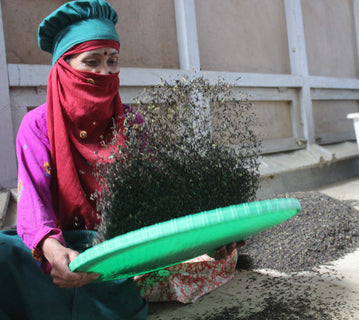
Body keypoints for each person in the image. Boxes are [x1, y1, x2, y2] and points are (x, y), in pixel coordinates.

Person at [0, 1, 242, 318]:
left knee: (219, 258)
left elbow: (159, 197)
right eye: (92, 62)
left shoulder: (132, 125)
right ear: (64, 67)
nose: (105, 73)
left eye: (112, 61)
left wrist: (203, 239)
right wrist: (53, 251)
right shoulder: (37, 127)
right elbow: (35, 204)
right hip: (64, 242)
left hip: (122, 245)